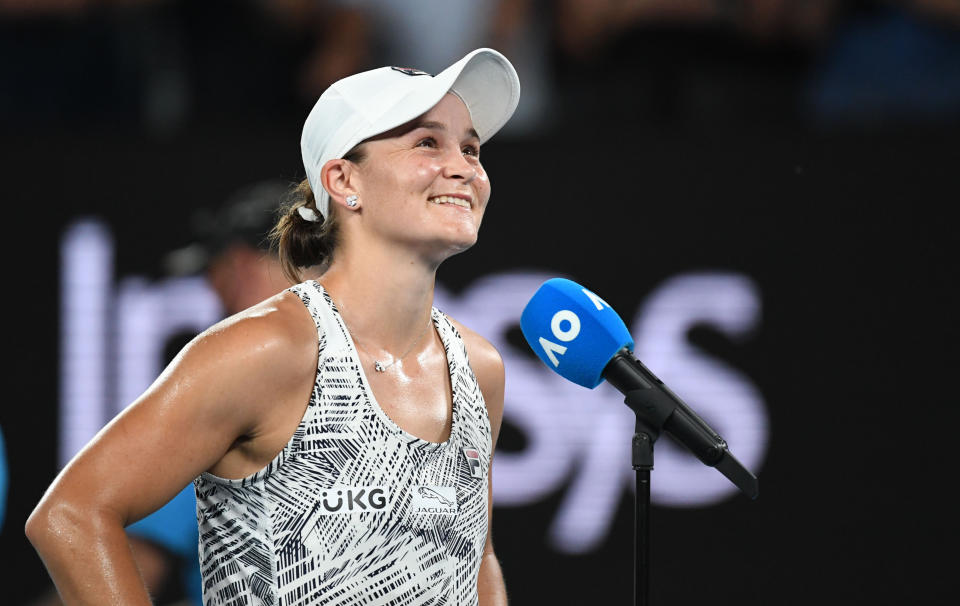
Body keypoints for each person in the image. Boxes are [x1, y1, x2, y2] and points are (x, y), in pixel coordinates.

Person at [26, 47, 520, 605]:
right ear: (342, 179)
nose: (463, 166)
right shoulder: (267, 349)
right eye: (428, 142)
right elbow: (72, 513)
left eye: (471, 147)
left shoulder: (480, 369)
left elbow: (475, 558)